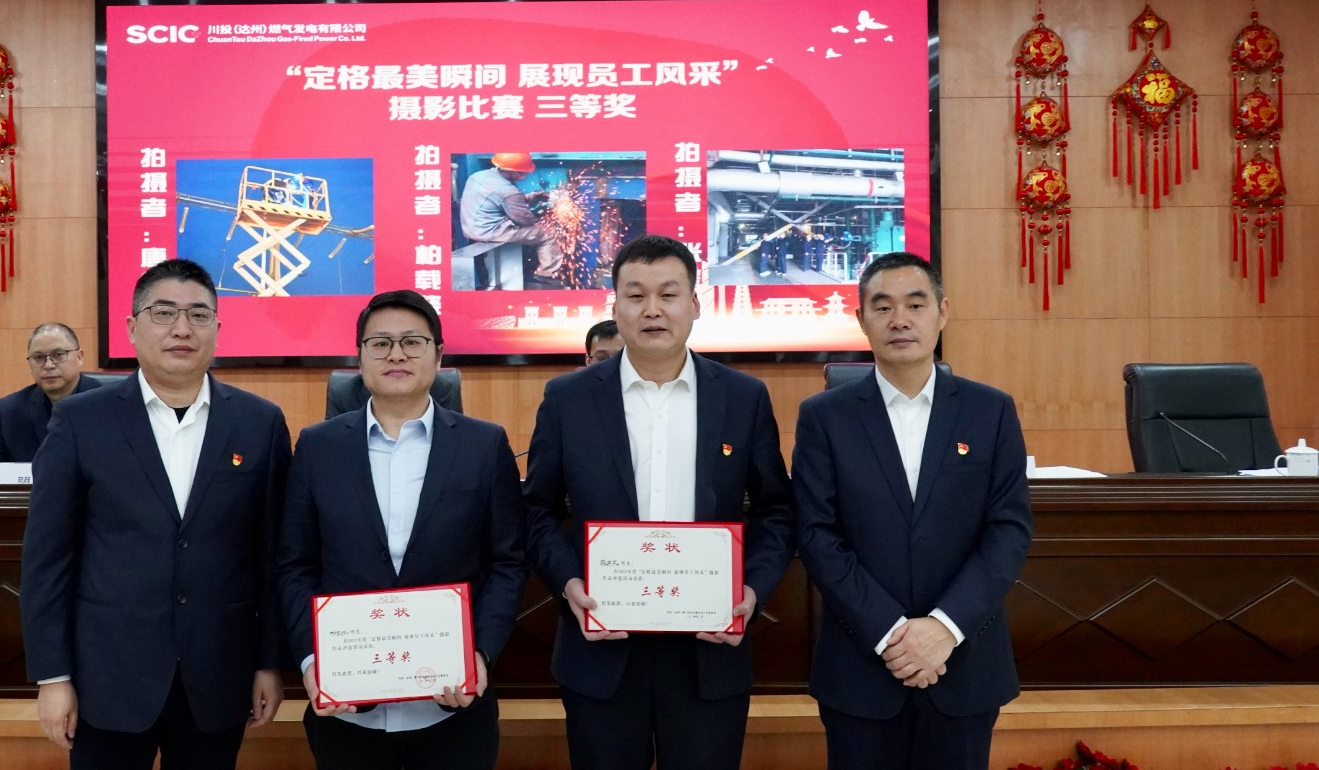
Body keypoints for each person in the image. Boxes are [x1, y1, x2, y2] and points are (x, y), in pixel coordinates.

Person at [523, 234, 795, 770]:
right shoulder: (568, 398)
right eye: (636, 295)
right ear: (615, 307)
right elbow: (536, 509)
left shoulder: (743, 398)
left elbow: (777, 511)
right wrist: (568, 582)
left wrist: (750, 588)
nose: (652, 310)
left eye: (668, 295)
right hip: (601, 649)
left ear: (694, 304)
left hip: (708, 651)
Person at [20, 258, 290, 770]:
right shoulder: (80, 421)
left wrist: (269, 663)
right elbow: (47, 559)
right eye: (163, 313)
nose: (182, 329)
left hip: (219, 675)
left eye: (198, 314)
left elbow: (272, 556)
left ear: (217, 327)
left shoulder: (259, 423)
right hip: (107, 679)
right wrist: (53, 676)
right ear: (131, 328)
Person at [792, 252, 1032, 770]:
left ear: (942, 313)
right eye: (883, 307)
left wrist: (944, 628)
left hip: (964, 664)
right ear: (861, 319)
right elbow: (816, 534)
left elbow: (1008, 530)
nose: (899, 319)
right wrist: (891, 634)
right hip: (859, 665)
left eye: (916, 305)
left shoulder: (990, 410)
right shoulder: (823, 417)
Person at [277, 289, 527, 770]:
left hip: (453, 709)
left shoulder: (483, 445)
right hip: (347, 712)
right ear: (360, 357)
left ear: (438, 354)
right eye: (380, 343)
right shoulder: (317, 448)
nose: (396, 354)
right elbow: (295, 565)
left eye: (413, 341)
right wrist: (311, 661)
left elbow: (506, 563)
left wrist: (479, 653)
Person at [0, 323, 110, 463]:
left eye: (58, 355)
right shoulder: (10, 410)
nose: (48, 365)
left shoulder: (109, 403)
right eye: (38, 358)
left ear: (79, 357)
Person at [458, 152, 563, 288]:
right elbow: (524, 220)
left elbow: (495, 199)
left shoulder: (477, 176)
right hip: (490, 231)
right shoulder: (508, 191)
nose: (525, 175)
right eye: (523, 173)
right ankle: (547, 274)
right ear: (512, 171)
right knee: (548, 234)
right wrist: (545, 210)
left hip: (471, 227)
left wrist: (527, 197)